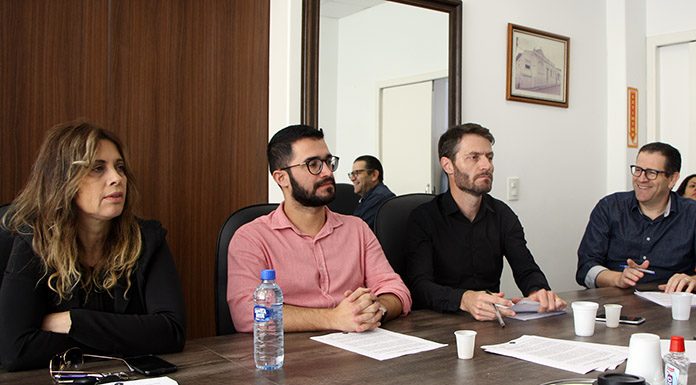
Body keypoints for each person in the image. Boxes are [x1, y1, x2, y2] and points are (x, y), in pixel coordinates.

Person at [0, 120, 186, 371]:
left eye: (119, 168)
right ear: (63, 180)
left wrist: (75, 322)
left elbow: (171, 332)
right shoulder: (34, 241)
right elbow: (15, 350)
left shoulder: (146, 239)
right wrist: (125, 337)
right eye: (98, 168)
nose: (116, 178)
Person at [227, 125, 411, 333]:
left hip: (359, 352)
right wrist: (332, 318)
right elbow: (246, 312)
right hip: (291, 357)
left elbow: (396, 290)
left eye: (328, 162)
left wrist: (376, 309)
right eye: (313, 164)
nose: (327, 172)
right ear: (282, 178)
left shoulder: (357, 229)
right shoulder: (251, 238)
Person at [405, 123, 565, 321]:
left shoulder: (502, 214)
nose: (486, 166)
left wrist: (538, 291)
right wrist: (463, 299)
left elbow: (526, 268)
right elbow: (419, 286)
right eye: (474, 157)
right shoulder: (423, 218)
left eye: (489, 157)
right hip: (436, 323)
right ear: (448, 165)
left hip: (491, 323)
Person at [577, 142, 696, 293]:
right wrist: (618, 279)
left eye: (651, 172)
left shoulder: (691, 214)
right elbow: (585, 268)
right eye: (638, 170)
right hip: (613, 304)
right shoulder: (609, 207)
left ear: (672, 179)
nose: (641, 179)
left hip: (670, 303)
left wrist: (691, 280)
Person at [349, 155, 396, 229]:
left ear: (374, 175)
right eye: (352, 174)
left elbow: (354, 230)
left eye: (357, 173)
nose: (352, 178)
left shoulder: (380, 198)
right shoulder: (369, 197)